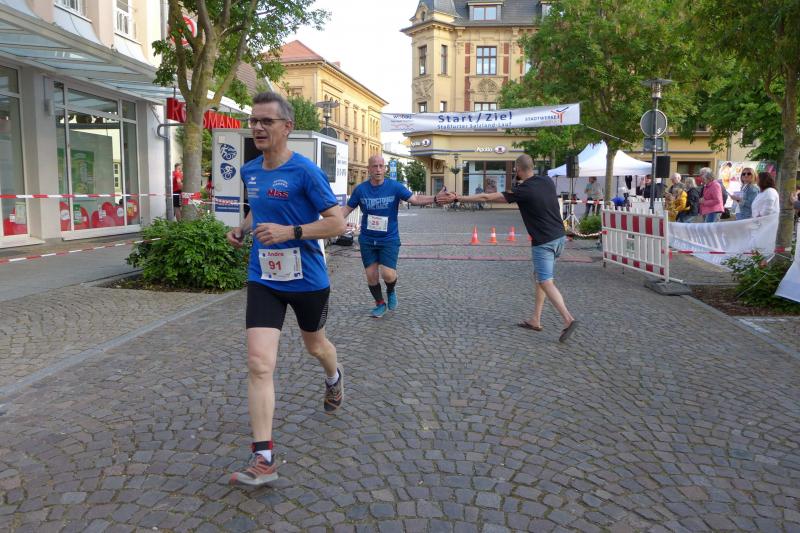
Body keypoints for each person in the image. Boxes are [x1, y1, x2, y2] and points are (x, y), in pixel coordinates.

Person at [225, 91, 347, 487]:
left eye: (267, 121)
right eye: (254, 121)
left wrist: (290, 232)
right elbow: (259, 208)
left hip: (308, 279)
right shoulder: (250, 171)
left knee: (316, 346)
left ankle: (333, 376)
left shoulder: (306, 172)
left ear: (287, 127)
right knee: (259, 363)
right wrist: (243, 228)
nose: (258, 127)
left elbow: (337, 224)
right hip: (264, 277)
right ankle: (264, 457)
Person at [456, 154, 577, 343]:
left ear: (518, 170)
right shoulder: (547, 181)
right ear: (533, 166)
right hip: (560, 238)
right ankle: (535, 319)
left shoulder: (523, 191)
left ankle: (568, 319)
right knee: (540, 277)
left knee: (545, 281)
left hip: (544, 242)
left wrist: (458, 197)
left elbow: (487, 196)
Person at [341, 155, 453, 318]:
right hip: (367, 239)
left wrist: (435, 198)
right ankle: (380, 303)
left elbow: (415, 199)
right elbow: (346, 210)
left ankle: (391, 290)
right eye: (374, 166)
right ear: (369, 169)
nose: (378, 169)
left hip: (389, 239)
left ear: (385, 168)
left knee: (388, 274)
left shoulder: (394, 187)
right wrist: (330, 221)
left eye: (381, 166)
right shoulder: (360, 190)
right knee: (371, 276)